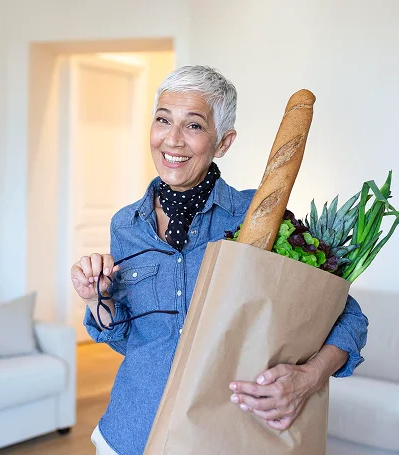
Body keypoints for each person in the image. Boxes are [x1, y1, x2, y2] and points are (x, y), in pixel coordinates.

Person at [70, 65, 368, 455]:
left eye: (193, 126)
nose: (172, 140)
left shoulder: (258, 215)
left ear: (223, 142)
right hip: (130, 433)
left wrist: (309, 377)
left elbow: (348, 318)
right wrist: (98, 297)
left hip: (220, 437)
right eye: (163, 120)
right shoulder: (126, 224)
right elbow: (130, 338)